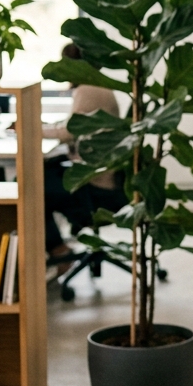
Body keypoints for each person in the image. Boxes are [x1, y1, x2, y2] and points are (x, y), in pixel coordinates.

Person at [42, 43, 128, 268]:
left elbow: (69, 132)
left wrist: (30, 128)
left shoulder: (88, 89)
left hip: (97, 187)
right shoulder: (96, 85)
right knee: (46, 172)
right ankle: (56, 247)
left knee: (31, 188)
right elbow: (74, 125)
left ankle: (58, 250)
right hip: (101, 176)